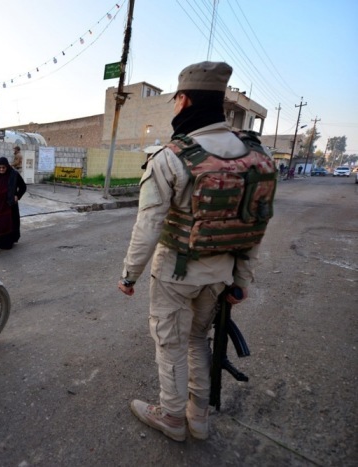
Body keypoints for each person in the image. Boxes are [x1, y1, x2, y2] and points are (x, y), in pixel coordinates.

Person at [118, 62, 276, 442]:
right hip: (220, 274)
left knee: (170, 343)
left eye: (175, 101)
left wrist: (129, 275)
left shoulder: (171, 157)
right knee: (197, 341)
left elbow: (149, 226)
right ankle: (198, 417)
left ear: (185, 100)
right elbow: (256, 225)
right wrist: (240, 281)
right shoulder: (256, 155)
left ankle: (172, 417)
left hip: (175, 272)